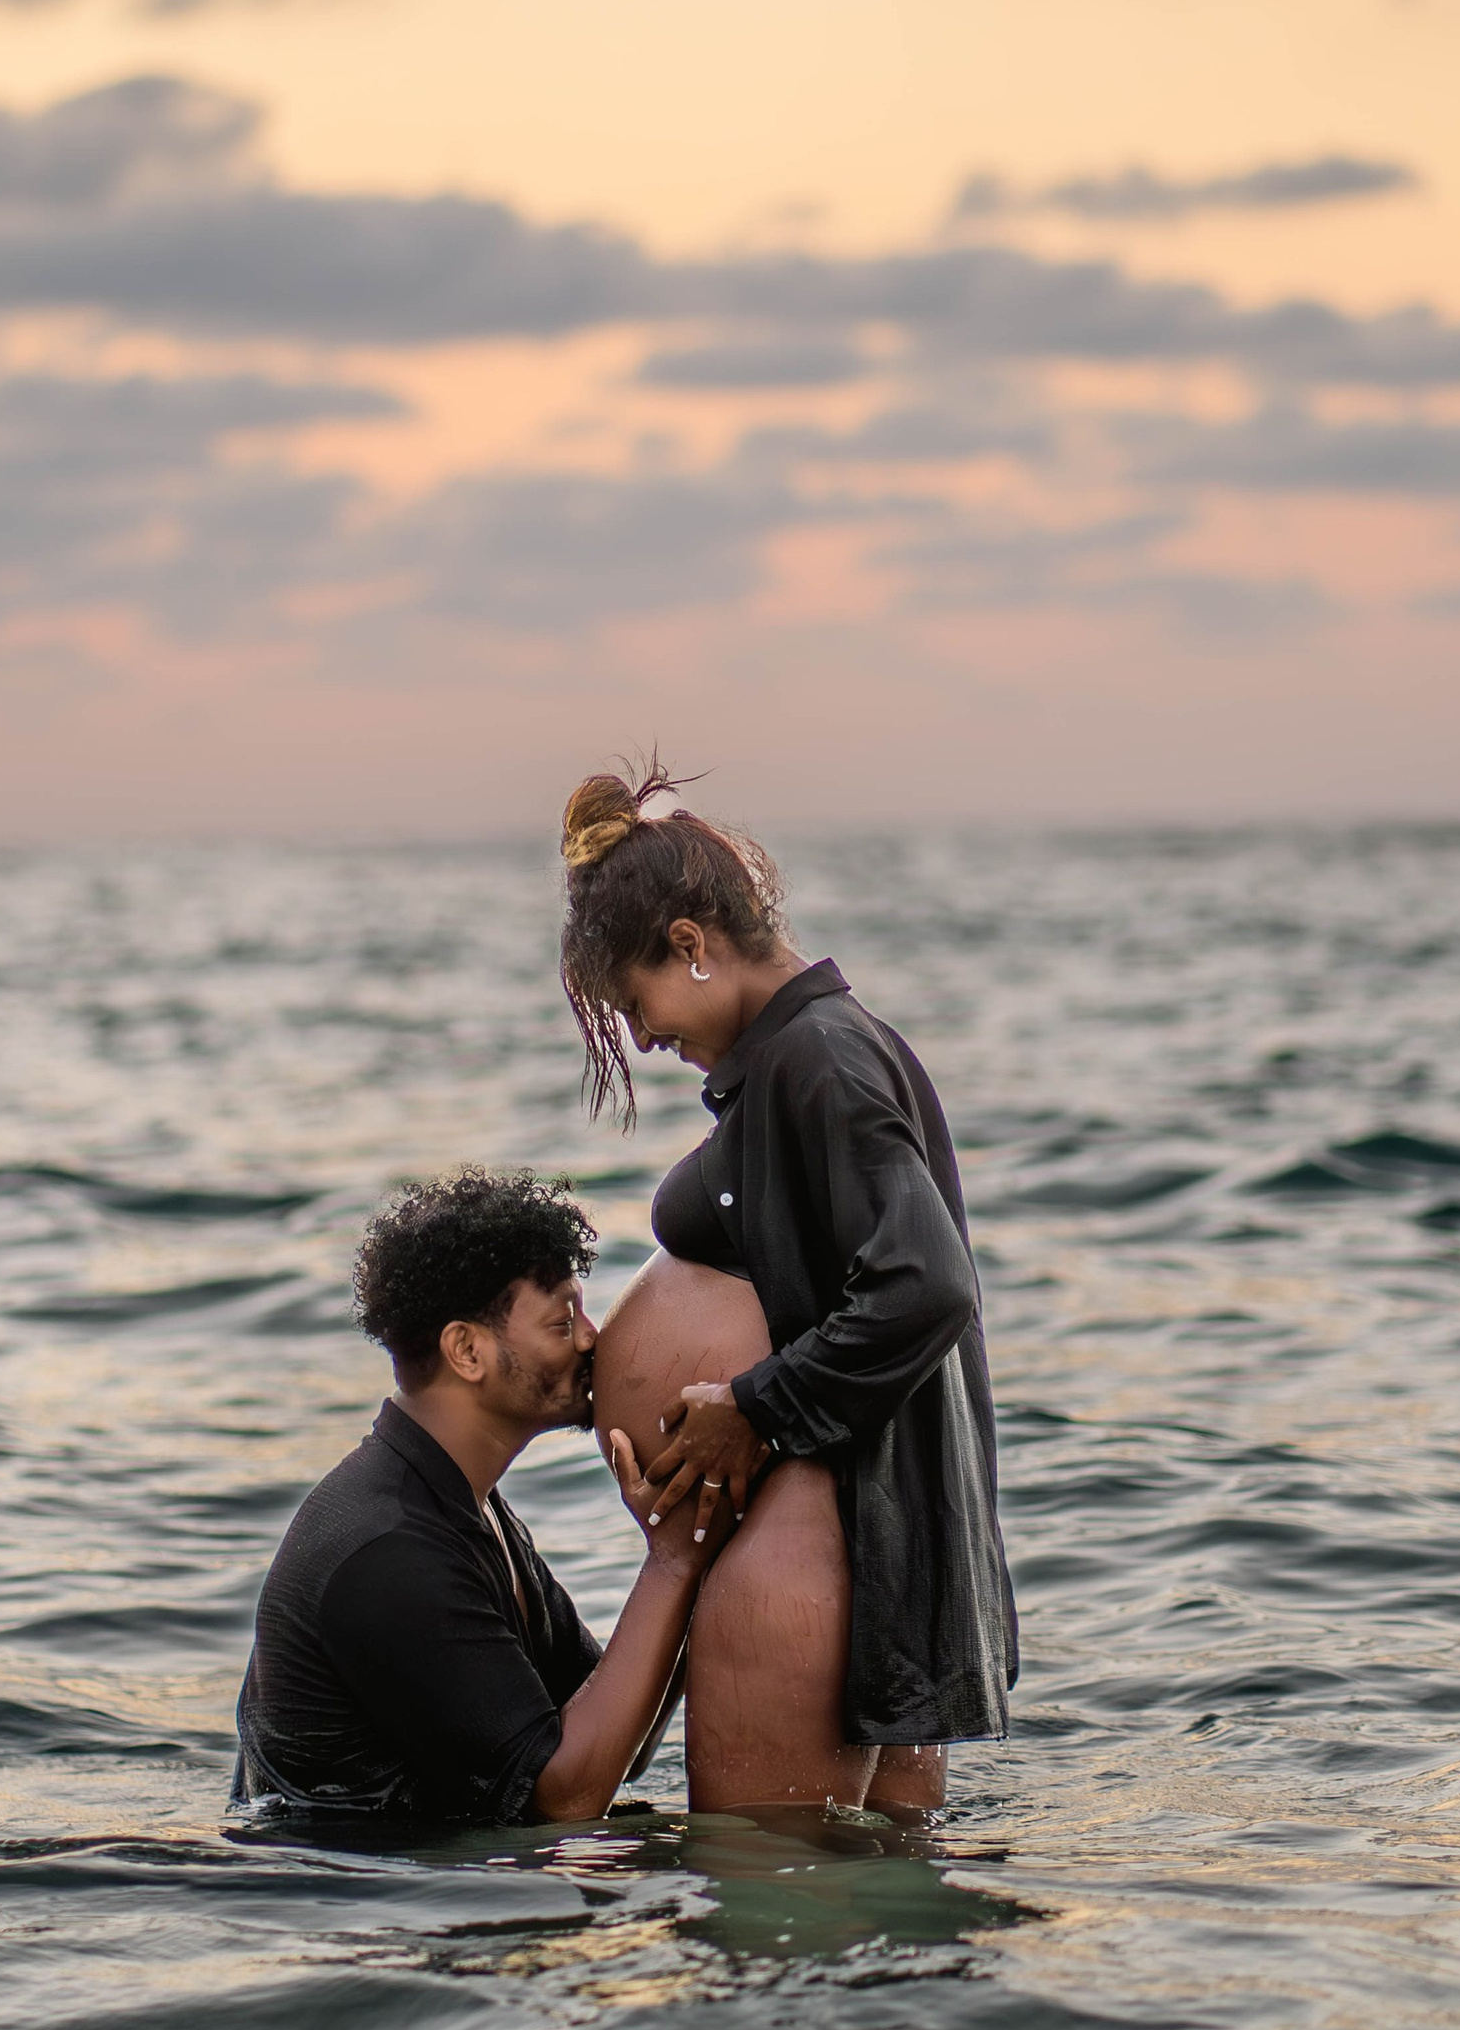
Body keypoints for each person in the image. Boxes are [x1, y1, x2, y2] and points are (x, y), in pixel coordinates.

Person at [563, 764, 1017, 1813]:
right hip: (829, 1535)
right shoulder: (800, 1058)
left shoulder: (823, 1061)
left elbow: (924, 1285)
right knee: (866, 1909)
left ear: (690, 944)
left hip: (828, 1536)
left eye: (635, 1003)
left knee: (769, 1909)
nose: (640, 1039)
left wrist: (755, 1411)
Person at [231, 1168, 726, 1824]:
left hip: (432, 1881)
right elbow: (565, 1794)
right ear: (466, 1349)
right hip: (353, 1897)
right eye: (561, 1320)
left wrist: (701, 1537)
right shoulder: (391, 1550)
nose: (589, 1337)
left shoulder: (467, 1507)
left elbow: (611, 1745)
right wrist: (672, 1558)